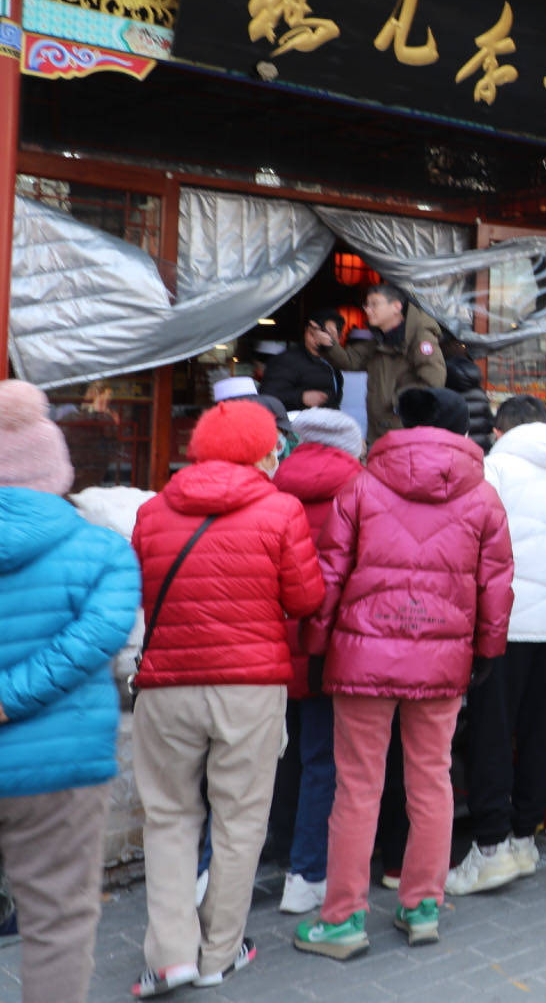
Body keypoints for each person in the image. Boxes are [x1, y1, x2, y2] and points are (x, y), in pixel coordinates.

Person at [293, 387, 514, 961]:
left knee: (358, 787)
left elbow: (330, 572)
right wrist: (487, 652)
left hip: (363, 657)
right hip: (442, 660)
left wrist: (316, 647)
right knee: (432, 779)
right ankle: (422, 904)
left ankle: (341, 918)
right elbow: (496, 585)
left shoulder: (361, 485)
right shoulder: (483, 496)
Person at [129, 399, 325, 995]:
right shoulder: (281, 509)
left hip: (166, 685)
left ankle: (170, 956)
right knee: (240, 823)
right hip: (250, 688)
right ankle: (217, 954)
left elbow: (142, 589)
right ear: (262, 451)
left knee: (167, 819)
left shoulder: (153, 511)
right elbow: (306, 598)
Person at [0, 380, 141, 1003]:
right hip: (62, 764)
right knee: (57, 921)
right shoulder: (105, 551)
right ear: (57, 469)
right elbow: (95, 642)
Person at [447, 409, 546, 897]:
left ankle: (490, 848)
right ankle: (523, 836)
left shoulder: (495, 470)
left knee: (493, 730)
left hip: (505, 623)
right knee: (541, 732)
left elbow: (470, 543)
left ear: (500, 431)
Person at [271, 408, 368, 917]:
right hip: (329, 648)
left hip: (272, 649)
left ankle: (277, 850)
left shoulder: (273, 488)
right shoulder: (359, 492)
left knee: (278, 757)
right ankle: (306, 874)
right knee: (323, 761)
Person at [325, 284, 446, 443]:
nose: (368, 310)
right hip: (377, 430)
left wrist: (399, 403)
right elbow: (351, 360)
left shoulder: (420, 337)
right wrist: (329, 344)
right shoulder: (379, 338)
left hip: (403, 431)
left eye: (374, 304)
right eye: (366, 305)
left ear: (396, 307)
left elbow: (434, 379)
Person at [260, 311, 347, 412]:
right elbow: (267, 397)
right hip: (294, 425)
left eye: (326, 333)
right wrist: (301, 398)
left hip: (327, 423)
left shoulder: (333, 363)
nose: (317, 337)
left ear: (339, 337)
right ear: (306, 331)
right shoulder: (288, 360)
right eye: (312, 333)